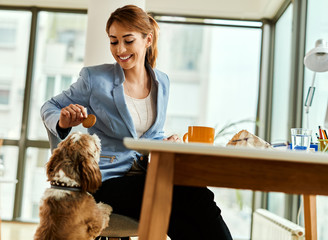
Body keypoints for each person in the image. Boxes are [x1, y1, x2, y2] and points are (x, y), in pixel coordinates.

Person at [41, 4, 232, 240]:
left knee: (187, 207)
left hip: (144, 175)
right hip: (105, 180)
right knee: (191, 197)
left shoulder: (162, 82)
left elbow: (149, 134)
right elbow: (48, 106)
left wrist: (165, 141)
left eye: (128, 41)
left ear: (147, 39)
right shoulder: (94, 78)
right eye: (113, 41)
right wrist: (62, 120)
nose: (120, 49)